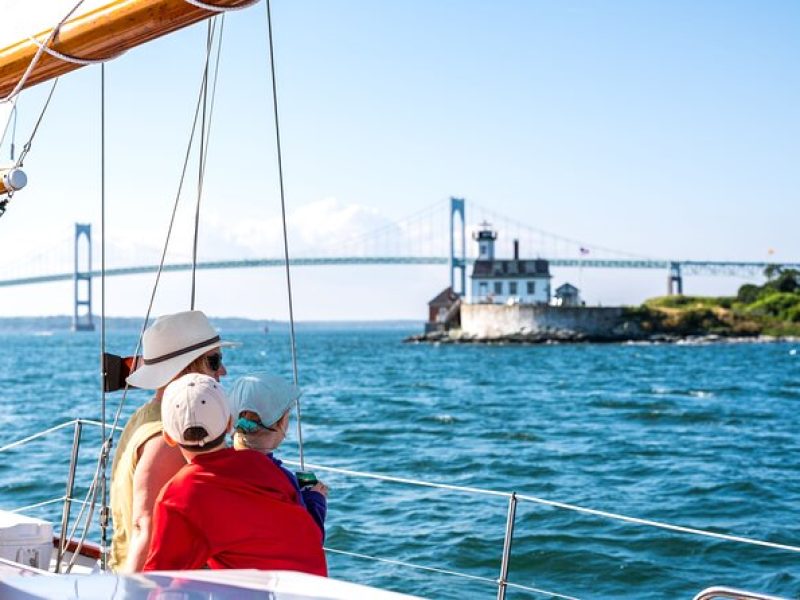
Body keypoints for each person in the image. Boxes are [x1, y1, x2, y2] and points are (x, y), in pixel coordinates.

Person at [143, 373, 327, 574]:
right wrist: (315, 500)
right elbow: (305, 535)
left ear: (167, 437)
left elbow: (159, 578)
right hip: (307, 587)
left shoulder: (178, 494)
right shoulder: (265, 468)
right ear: (229, 423)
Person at [109, 310, 236, 572]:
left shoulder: (144, 417)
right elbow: (146, 528)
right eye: (214, 361)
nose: (223, 370)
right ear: (185, 368)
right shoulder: (170, 439)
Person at [230, 373, 328, 537]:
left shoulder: (218, 466)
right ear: (282, 423)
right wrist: (315, 500)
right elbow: (311, 539)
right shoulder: (282, 482)